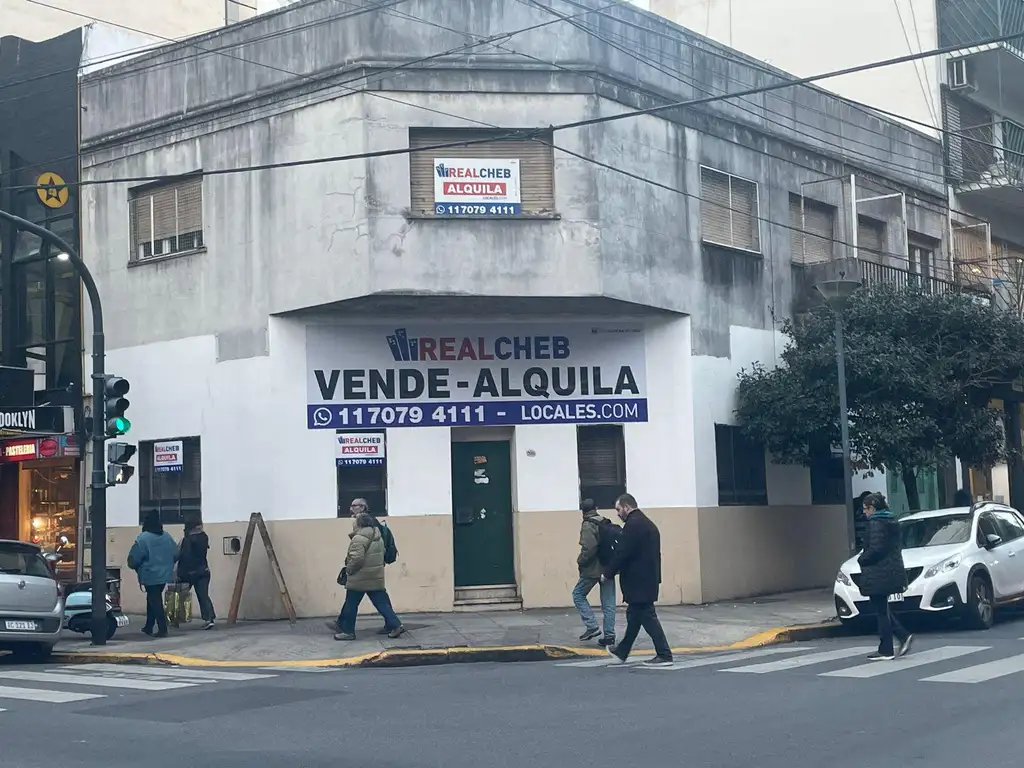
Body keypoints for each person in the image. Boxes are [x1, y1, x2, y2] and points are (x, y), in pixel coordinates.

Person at [602, 493, 673, 667]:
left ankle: (664, 654)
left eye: (619, 510)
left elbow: (622, 553)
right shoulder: (647, 524)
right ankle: (622, 651)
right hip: (647, 580)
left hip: (638, 582)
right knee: (634, 616)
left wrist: (608, 573)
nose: (618, 514)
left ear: (627, 507)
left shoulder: (633, 526)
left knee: (647, 616)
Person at [332, 499, 406, 641]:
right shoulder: (375, 532)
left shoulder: (359, 537)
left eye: (355, 506)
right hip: (374, 573)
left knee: (351, 602)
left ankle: (347, 631)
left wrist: (349, 569)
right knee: (381, 601)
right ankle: (395, 625)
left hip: (361, 575)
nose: (351, 509)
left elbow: (357, 558)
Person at [859, 492, 913, 660]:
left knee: (880, 609)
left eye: (866, 509)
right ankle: (898, 638)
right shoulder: (891, 521)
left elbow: (876, 548)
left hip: (879, 572)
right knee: (882, 608)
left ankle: (888, 647)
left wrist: (862, 559)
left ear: (873, 508)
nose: (864, 513)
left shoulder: (877, 523)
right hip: (889, 571)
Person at [572, 499, 617, 646]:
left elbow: (589, 549)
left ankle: (592, 626)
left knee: (578, 594)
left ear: (582, 511)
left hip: (592, 570)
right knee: (608, 603)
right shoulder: (605, 522)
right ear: (596, 508)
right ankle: (609, 635)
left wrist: (580, 561)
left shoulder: (588, 525)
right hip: (608, 567)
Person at [127, 511, 178, 638]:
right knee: (152, 599)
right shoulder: (167, 536)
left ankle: (162, 628)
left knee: (154, 600)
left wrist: (136, 566)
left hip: (150, 574)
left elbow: (134, 559)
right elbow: (176, 554)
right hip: (165, 574)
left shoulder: (143, 538)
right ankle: (148, 626)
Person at [177, 516, 216, 630]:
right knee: (203, 596)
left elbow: (185, 557)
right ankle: (209, 618)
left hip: (189, 572)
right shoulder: (204, 537)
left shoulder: (187, 540)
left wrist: (180, 573)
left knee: (179, 595)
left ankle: (175, 618)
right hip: (203, 571)